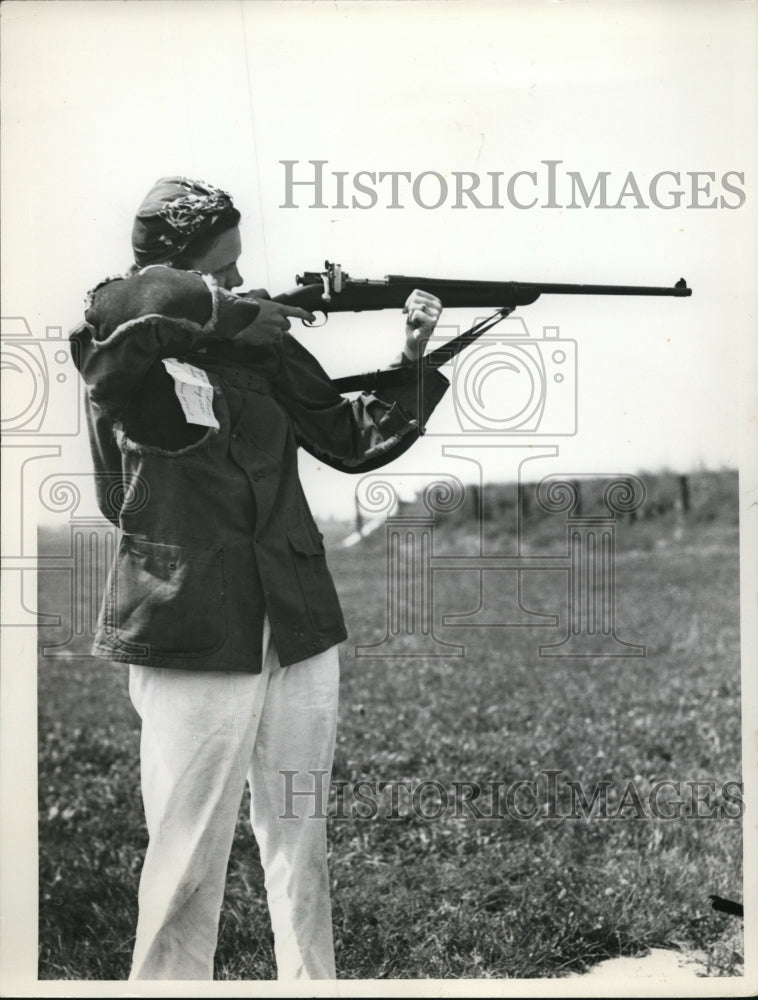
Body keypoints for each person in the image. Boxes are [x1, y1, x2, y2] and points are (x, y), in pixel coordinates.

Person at [70, 176, 449, 981]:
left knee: (299, 842)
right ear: (179, 263)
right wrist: (234, 314)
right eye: (225, 269)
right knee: (184, 856)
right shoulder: (122, 325)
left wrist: (412, 359)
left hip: (295, 613)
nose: (241, 283)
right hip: (188, 620)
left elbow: (347, 440)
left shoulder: (262, 345)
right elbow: (132, 307)